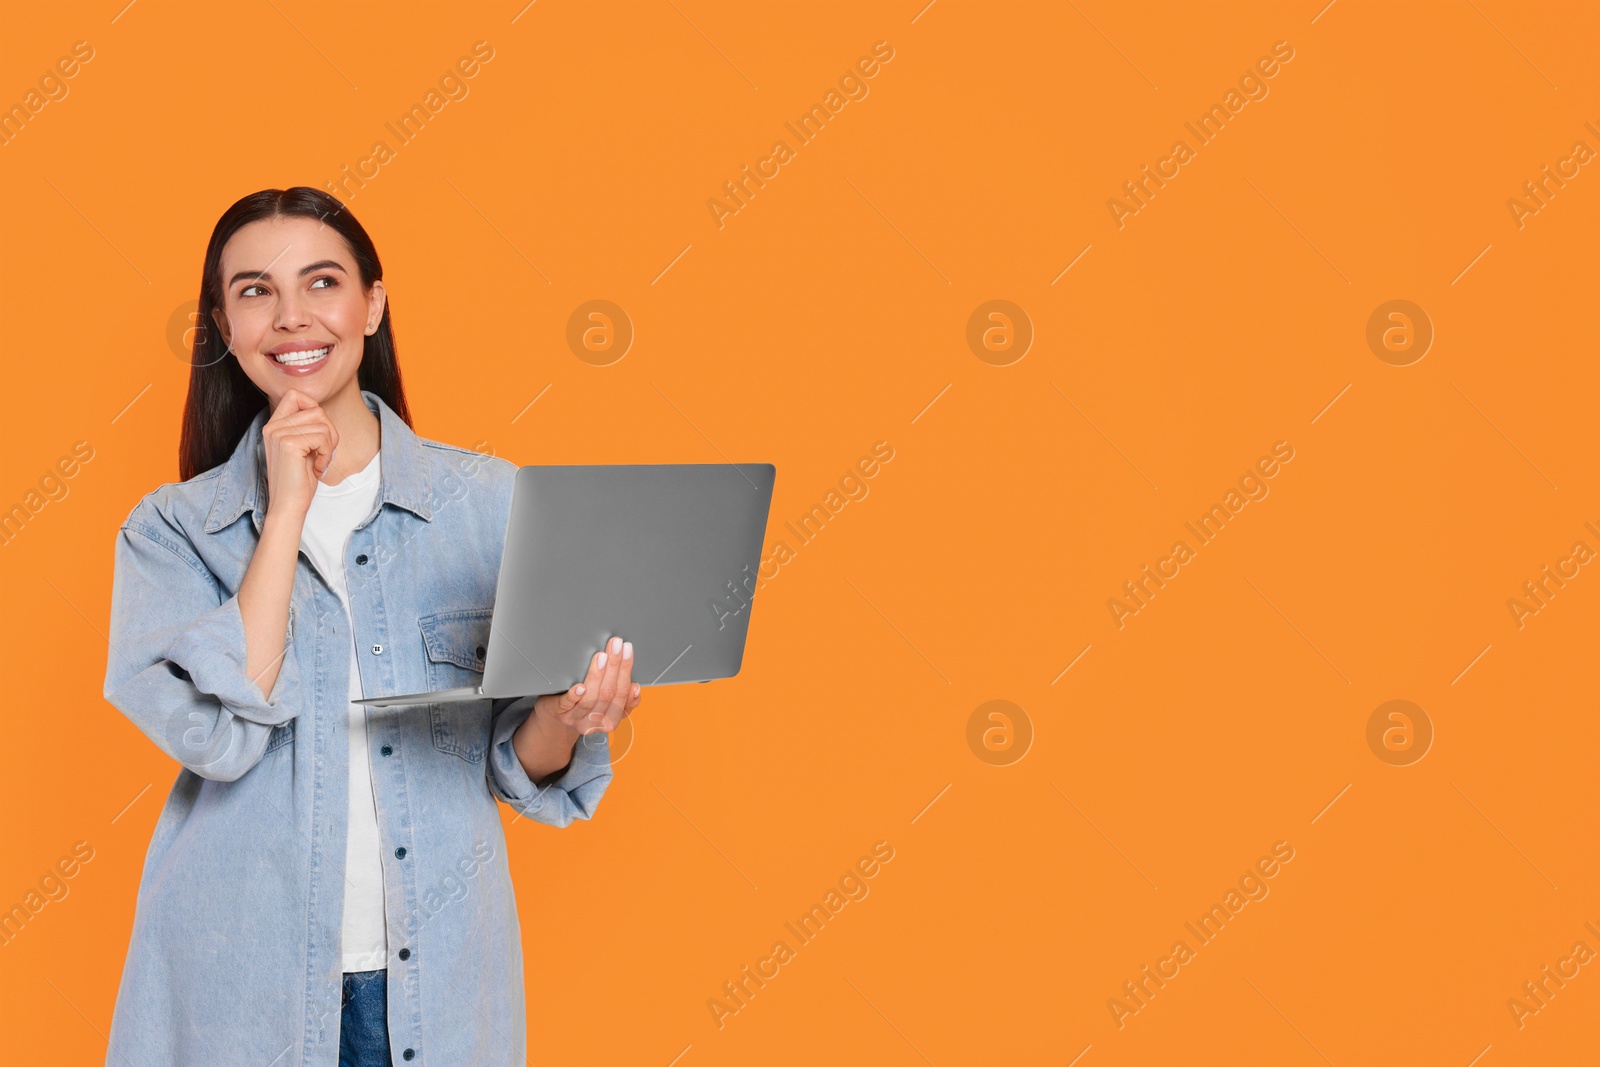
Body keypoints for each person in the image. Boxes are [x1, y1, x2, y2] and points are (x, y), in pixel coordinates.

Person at [101, 186, 640, 1066]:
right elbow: (222, 738)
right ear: (222, 325)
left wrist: (567, 717)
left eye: (321, 282)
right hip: (236, 987)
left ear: (371, 305)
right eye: (253, 292)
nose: (291, 317)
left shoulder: (486, 504)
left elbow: (516, 762)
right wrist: (282, 514)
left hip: (441, 986)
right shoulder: (171, 530)